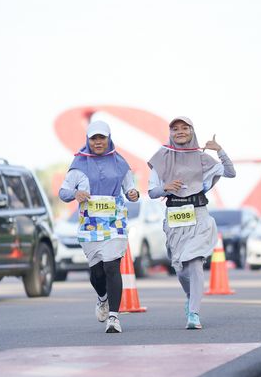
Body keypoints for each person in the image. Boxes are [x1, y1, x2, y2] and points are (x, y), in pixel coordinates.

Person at [148, 116, 236, 330]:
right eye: (175, 129)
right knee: (180, 268)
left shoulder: (202, 157)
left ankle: (194, 313)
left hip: (199, 215)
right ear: (170, 133)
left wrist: (219, 150)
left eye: (184, 128)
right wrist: (166, 187)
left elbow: (230, 172)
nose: (180, 132)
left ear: (192, 131)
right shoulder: (161, 156)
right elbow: (152, 192)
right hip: (175, 216)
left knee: (195, 261)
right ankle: (190, 297)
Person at [59, 120, 139, 333]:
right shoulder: (79, 164)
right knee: (97, 273)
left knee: (112, 267)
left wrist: (133, 194)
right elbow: (63, 192)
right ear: (88, 140)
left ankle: (114, 317)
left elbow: (131, 189)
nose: (98, 142)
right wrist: (75, 193)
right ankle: (102, 298)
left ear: (108, 138)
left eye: (101, 137)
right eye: (94, 138)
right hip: (91, 225)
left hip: (115, 223)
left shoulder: (120, 163)